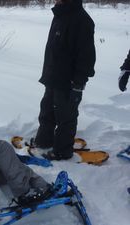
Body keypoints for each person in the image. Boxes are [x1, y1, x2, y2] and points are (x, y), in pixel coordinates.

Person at [34, 0, 96, 160]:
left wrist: (78, 85)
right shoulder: (60, 15)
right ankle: (43, 141)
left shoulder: (83, 20)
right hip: (52, 76)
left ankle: (62, 150)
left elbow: (86, 57)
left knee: (65, 117)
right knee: (47, 110)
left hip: (68, 82)